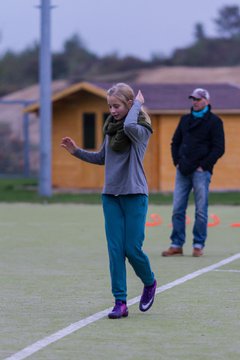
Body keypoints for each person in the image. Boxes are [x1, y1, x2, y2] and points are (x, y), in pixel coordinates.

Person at [61, 83, 157, 319]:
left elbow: (129, 125)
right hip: (110, 196)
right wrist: (76, 152)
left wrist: (137, 105)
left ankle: (150, 282)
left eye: (116, 106)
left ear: (129, 104)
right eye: (110, 106)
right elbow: (102, 157)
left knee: (132, 249)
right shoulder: (111, 130)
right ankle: (120, 302)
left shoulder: (140, 130)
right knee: (115, 251)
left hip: (135, 195)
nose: (112, 111)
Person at [162, 88, 225, 257]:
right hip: (182, 170)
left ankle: (198, 244)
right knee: (177, 208)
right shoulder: (185, 119)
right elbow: (175, 143)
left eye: (198, 99)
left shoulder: (214, 121)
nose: (194, 102)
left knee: (201, 210)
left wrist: (203, 166)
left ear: (206, 101)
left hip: (201, 172)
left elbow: (219, 148)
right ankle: (176, 244)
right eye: (193, 99)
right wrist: (177, 161)